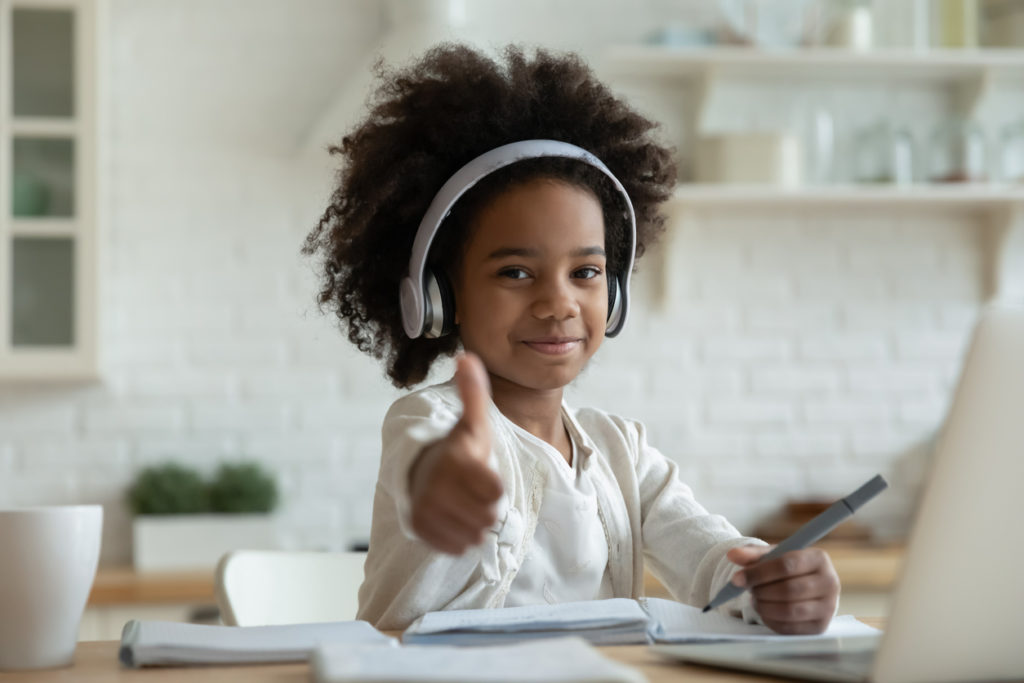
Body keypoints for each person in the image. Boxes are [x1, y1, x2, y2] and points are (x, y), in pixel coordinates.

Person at [302, 43, 840, 633]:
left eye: (585, 273)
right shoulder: (428, 426)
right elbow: (425, 476)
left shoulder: (622, 452)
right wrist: (444, 482)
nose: (559, 303)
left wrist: (770, 582)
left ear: (614, 293)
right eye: (515, 272)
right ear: (440, 296)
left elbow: (712, 558)